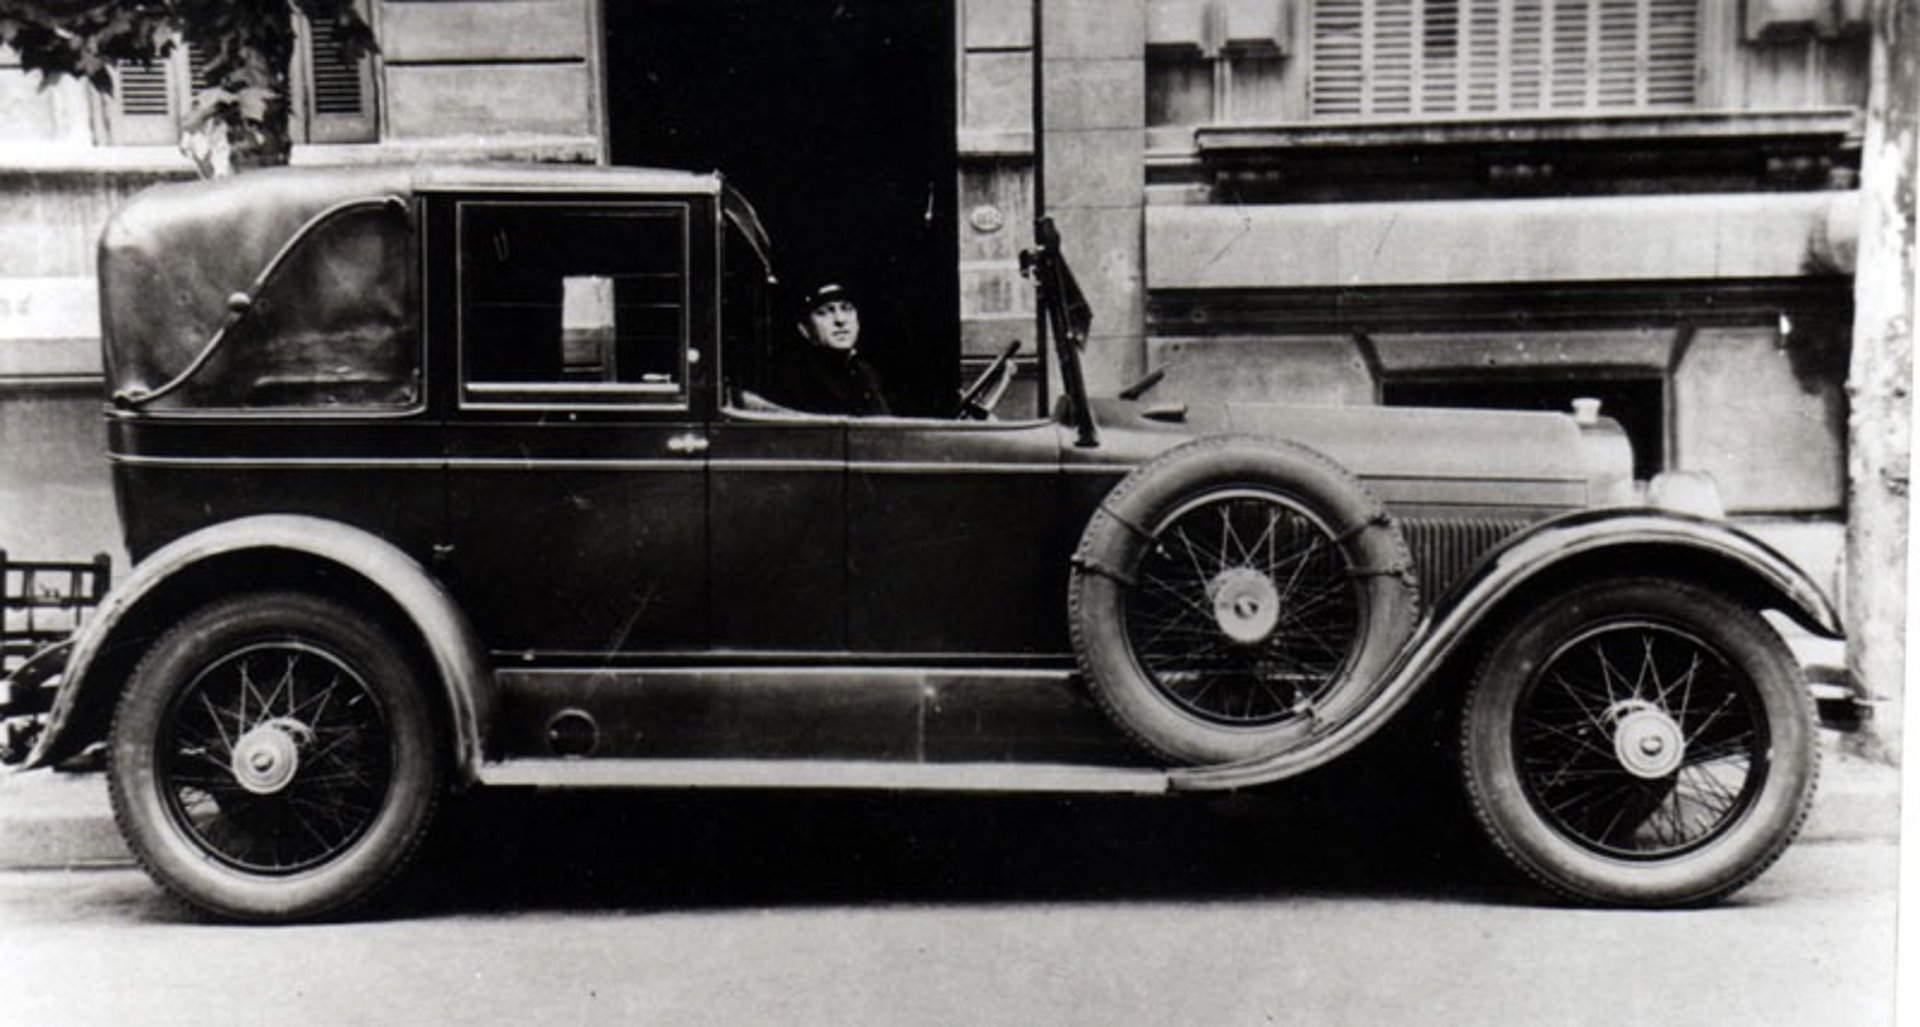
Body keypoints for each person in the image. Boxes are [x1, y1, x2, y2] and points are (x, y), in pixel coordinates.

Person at [766, 281, 892, 416]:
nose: (840, 320)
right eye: (824, 312)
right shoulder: (794, 377)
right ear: (805, 329)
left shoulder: (864, 373)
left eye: (846, 308)